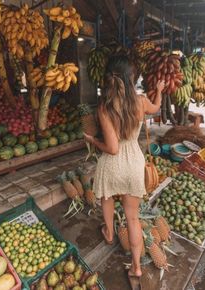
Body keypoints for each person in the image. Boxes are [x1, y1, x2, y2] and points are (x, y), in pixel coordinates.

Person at [84, 55, 165, 287]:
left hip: (111, 166)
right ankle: (137, 268)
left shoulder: (105, 107)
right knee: (132, 219)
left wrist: (92, 140)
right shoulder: (140, 101)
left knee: (107, 198)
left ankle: (109, 233)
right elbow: (157, 107)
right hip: (133, 165)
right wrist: (158, 89)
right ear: (132, 79)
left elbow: (111, 147)